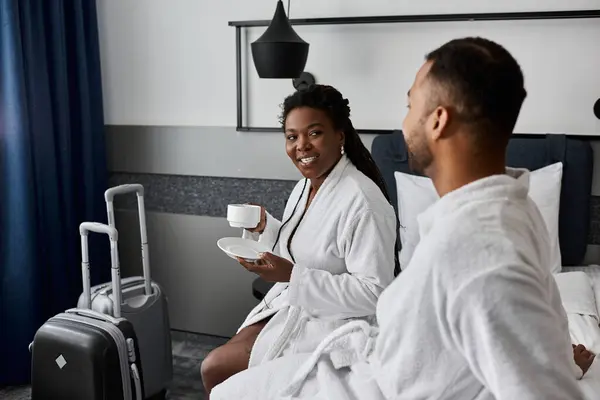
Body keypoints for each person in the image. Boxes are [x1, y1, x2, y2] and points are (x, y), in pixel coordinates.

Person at [209, 37, 586, 400]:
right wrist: (561, 356)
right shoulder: (509, 212)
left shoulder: (479, 252)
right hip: (375, 362)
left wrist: (554, 364)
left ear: (438, 120)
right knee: (226, 383)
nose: (403, 124)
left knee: (226, 388)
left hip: (371, 383)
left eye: (410, 106)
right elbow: (537, 313)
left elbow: (539, 388)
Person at [200, 84, 399, 396]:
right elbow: (303, 246)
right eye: (292, 137)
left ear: (340, 136)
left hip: (337, 323)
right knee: (214, 367)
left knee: (216, 369)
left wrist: (292, 276)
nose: (301, 146)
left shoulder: (364, 203)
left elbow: (375, 293)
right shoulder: (307, 186)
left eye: (314, 133)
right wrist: (267, 228)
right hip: (296, 306)